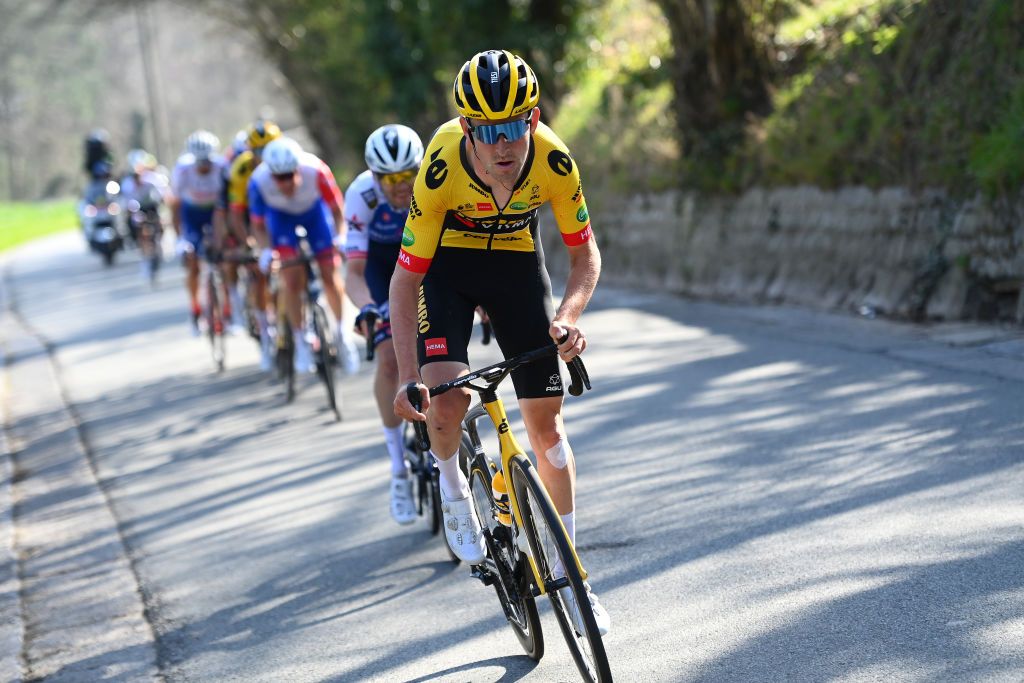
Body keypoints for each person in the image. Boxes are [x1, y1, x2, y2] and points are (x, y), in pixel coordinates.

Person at [389, 49, 609, 635]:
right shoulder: (439, 166)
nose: (504, 144)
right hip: (447, 269)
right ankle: (453, 484)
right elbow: (406, 277)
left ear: (533, 121)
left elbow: (584, 254)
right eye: (489, 132)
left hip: (515, 263)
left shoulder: (554, 163)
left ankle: (572, 576)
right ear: (468, 130)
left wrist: (566, 316)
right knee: (446, 400)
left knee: (548, 432)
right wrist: (409, 373)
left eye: (516, 126)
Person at [343, 124, 424, 524]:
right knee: (390, 359)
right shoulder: (361, 195)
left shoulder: (433, 181)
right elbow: (353, 273)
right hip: (377, 264)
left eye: (407, 175)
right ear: (375, 176)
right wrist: (366, 309)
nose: (400, 186)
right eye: (390, 179)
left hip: (422, 254)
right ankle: (397, 468)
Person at [248, 136, 353, 374]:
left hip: (315, 215)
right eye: (279, 178)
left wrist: (341, 237)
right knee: (291, 280)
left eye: (290, 175)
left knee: (329, 273)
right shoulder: (258, 182)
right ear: (270, 174)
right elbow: (258, 225)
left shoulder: (316, 170)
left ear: (299, 168)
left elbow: (337, 211)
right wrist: (265, 250)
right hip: (281, 218)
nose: (285, 183)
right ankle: (301, 340)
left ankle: (341, 334)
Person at [227, 120, 281, 370]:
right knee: (259, 274)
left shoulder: (287, 160)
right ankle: (265, 330)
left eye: (268, 149)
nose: (264, 157)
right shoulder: (241, 170)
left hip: (280, 214)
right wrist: (247, 242)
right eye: (258, 152)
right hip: (252, 217)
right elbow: (237, 213)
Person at [168, 130, 227, 334]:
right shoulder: (183, 170)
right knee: (192, 263)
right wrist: (180, 238)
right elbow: (174, 205)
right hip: (191, 215)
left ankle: (226, 311)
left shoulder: (221, 167)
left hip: (215, 213)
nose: (204, 166)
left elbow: (227, 203)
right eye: (200, 162)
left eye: (208, 161)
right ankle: (195, 309)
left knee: (224, 259)